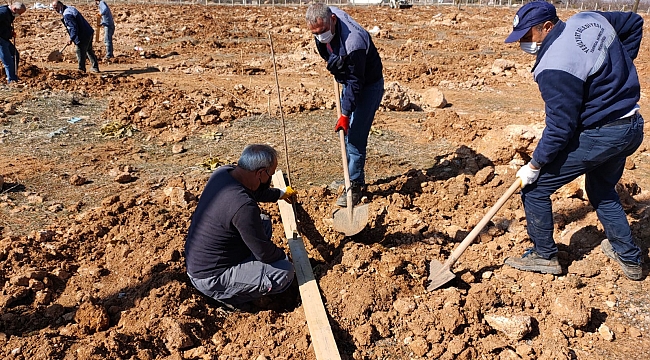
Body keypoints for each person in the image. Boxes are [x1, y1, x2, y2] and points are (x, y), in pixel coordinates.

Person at [503, 1, 645, 280]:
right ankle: (630, 259)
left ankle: (544, 256)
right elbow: (634, 23)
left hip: (604, 134)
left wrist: (534, 165)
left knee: (535, 189)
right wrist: (618, 73)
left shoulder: (554, 67)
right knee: (602, 189)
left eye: (526, 35)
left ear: (546, 27)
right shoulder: (588, 20)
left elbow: (560, 128)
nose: (521, 42)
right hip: (631, 125)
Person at [185, 144, 297, 309]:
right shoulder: (243, 206)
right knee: (284, 272)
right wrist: (283, 256)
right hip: (211, 277)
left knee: (262, 222)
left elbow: (255, 192)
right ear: (260, 173)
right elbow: (264, 253)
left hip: (203, 259)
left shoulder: (224, 173)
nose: (270, 179)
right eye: (271, 174)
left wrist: (280, 194)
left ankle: (243, 272)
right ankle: (230, 298)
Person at [306, 4, 384, 207]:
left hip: (368, 85)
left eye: (322, 32)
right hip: (352, 79)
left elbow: (355, 82)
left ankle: (355, 186)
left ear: (332, 19)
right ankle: (352, 177)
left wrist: (346, 113)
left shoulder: (353, 44)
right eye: (315, 33)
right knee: (348, 136)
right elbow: (328, 51)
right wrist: (333, 61)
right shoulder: (324, 17)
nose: (320, 36)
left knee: (355, 138)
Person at [51, 1, 99, 73]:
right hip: (88, 31)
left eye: (56, 7)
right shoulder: (69, 8)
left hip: (83, 34)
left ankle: (81, 70)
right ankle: (95, 67)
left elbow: (73, 28)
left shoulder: (67, 15)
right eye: (54, 8)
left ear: (60, 5)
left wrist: (71, 38)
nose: (56, 10)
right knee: (89, 50)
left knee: (80, 51)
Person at [0, 2, 26, 84]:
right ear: (14, 9)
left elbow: (4, 24)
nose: (19, 15)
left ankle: (13, 75)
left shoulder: (10, 13)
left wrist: (10, 32)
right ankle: (11, 80)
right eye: (19, 13)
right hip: (0, 39)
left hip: (5, 38)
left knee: (15, 55)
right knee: (8, 60)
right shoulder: (3, 12)